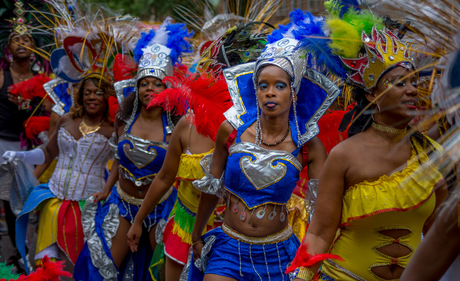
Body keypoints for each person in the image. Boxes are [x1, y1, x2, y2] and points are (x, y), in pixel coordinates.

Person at [291, 4, 447, 280]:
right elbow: (319, 232)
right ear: (373, 94)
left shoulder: (430, 153)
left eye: (413, 82)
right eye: (399, 83)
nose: (412, 89)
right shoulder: (344, 156)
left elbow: (441, 234)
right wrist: (302, 277)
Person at [184, 10, 339, 280]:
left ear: (294, 92)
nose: (270, 92)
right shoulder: (230, 131)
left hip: (279, 254)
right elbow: (211, 186)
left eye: (279, 85)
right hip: (228, 248)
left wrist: (310, 262)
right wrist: (197, 233)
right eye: (262, 85)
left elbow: (323, 211)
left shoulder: (308, 147)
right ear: (254, 91)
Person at [74, 19, 192, 281]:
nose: (150, 88)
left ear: (168, 88)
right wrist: (106, 189)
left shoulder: (177, 127)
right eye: (144, 83)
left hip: (161, 208)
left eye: (157, 83)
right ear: (137, 88)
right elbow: (119, 159)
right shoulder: (124, 120)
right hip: (122, 204)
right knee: (104, 269)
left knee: (160, 273)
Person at [0, 0, 53, 270]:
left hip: (36, 148)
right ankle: (18, 253)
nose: (22, 43)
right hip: (5, 144)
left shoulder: (43, 77)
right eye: (16, 39)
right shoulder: (1, 75)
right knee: (10, 202)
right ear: (7, 47)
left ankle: (34, 254)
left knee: (35, 200)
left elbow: (52, 112)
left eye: (27, 38)